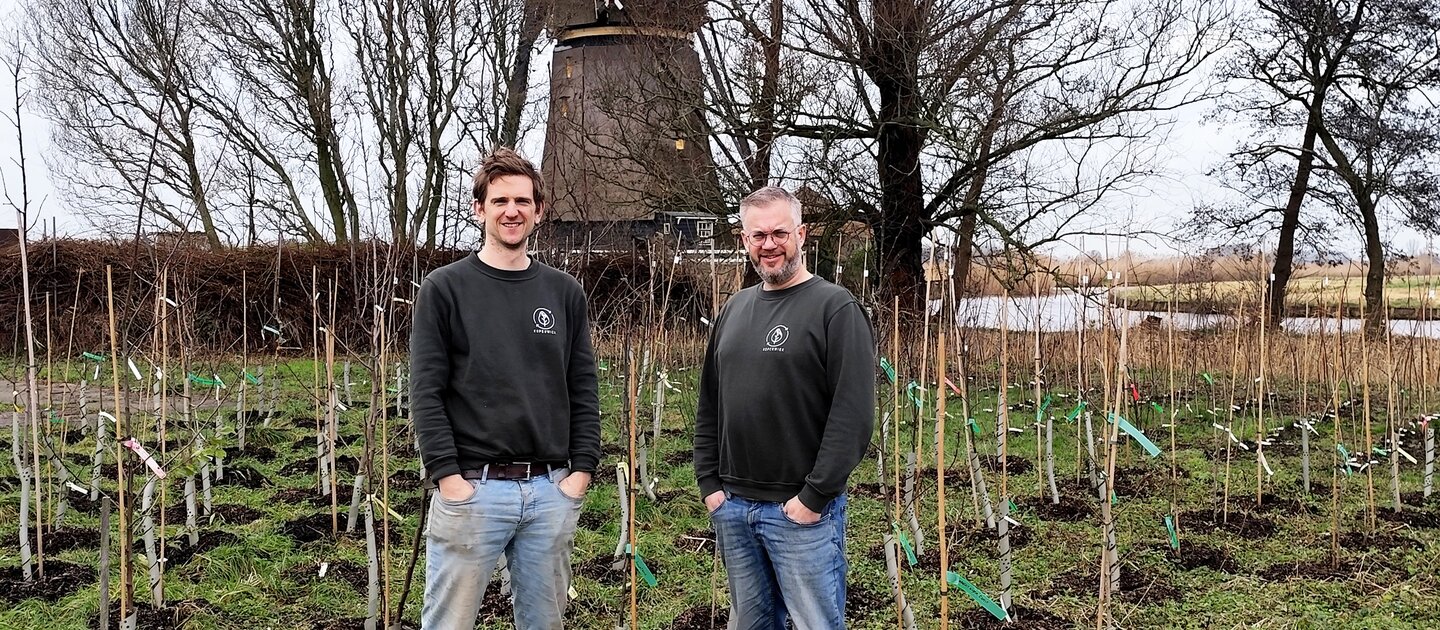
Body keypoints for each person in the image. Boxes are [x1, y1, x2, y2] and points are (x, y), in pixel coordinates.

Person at [410, 147, 600, 629]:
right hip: (474, 489)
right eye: (499, 201)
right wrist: (447, 477)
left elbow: (583, 385)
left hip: (550, 490)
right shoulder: (444, 289)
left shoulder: (563, 293)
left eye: (522, 201)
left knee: (544, 622)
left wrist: (581, 471)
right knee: (448, 622)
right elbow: (426, 390)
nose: (511, 211)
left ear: (538, 211)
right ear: (479, 209)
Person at [694, 185, 876, 629]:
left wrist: (813, 497)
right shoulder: (733, 310)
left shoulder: (835, 308)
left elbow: (853, 414)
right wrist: (709, 483)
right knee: (750, 623)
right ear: (744, 240)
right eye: (758, 235)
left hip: (800, 512)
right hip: (734, 506)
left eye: (779, 232)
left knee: (816, 621)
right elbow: (710, 402)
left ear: (802, 234)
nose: (769, 244)